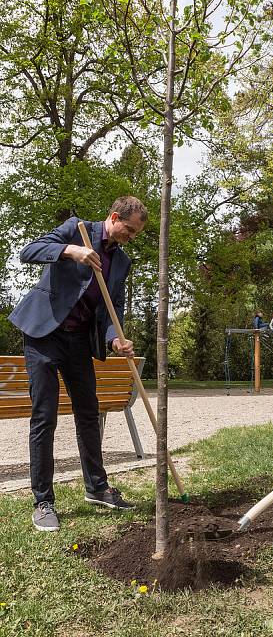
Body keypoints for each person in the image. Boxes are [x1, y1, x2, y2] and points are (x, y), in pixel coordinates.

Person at [9, 196, 147, 532]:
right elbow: (29, 251)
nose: (129, 237)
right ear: (114, 217)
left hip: (79, 341)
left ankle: (97, 488)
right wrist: (72, 251)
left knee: (89, 411)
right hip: (44, 334)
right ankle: (43, 501)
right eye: (127, 229)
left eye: (134, 234)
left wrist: (116, 338)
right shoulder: (77, 229)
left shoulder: (122, 261)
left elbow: (111, 308)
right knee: (45, 415)